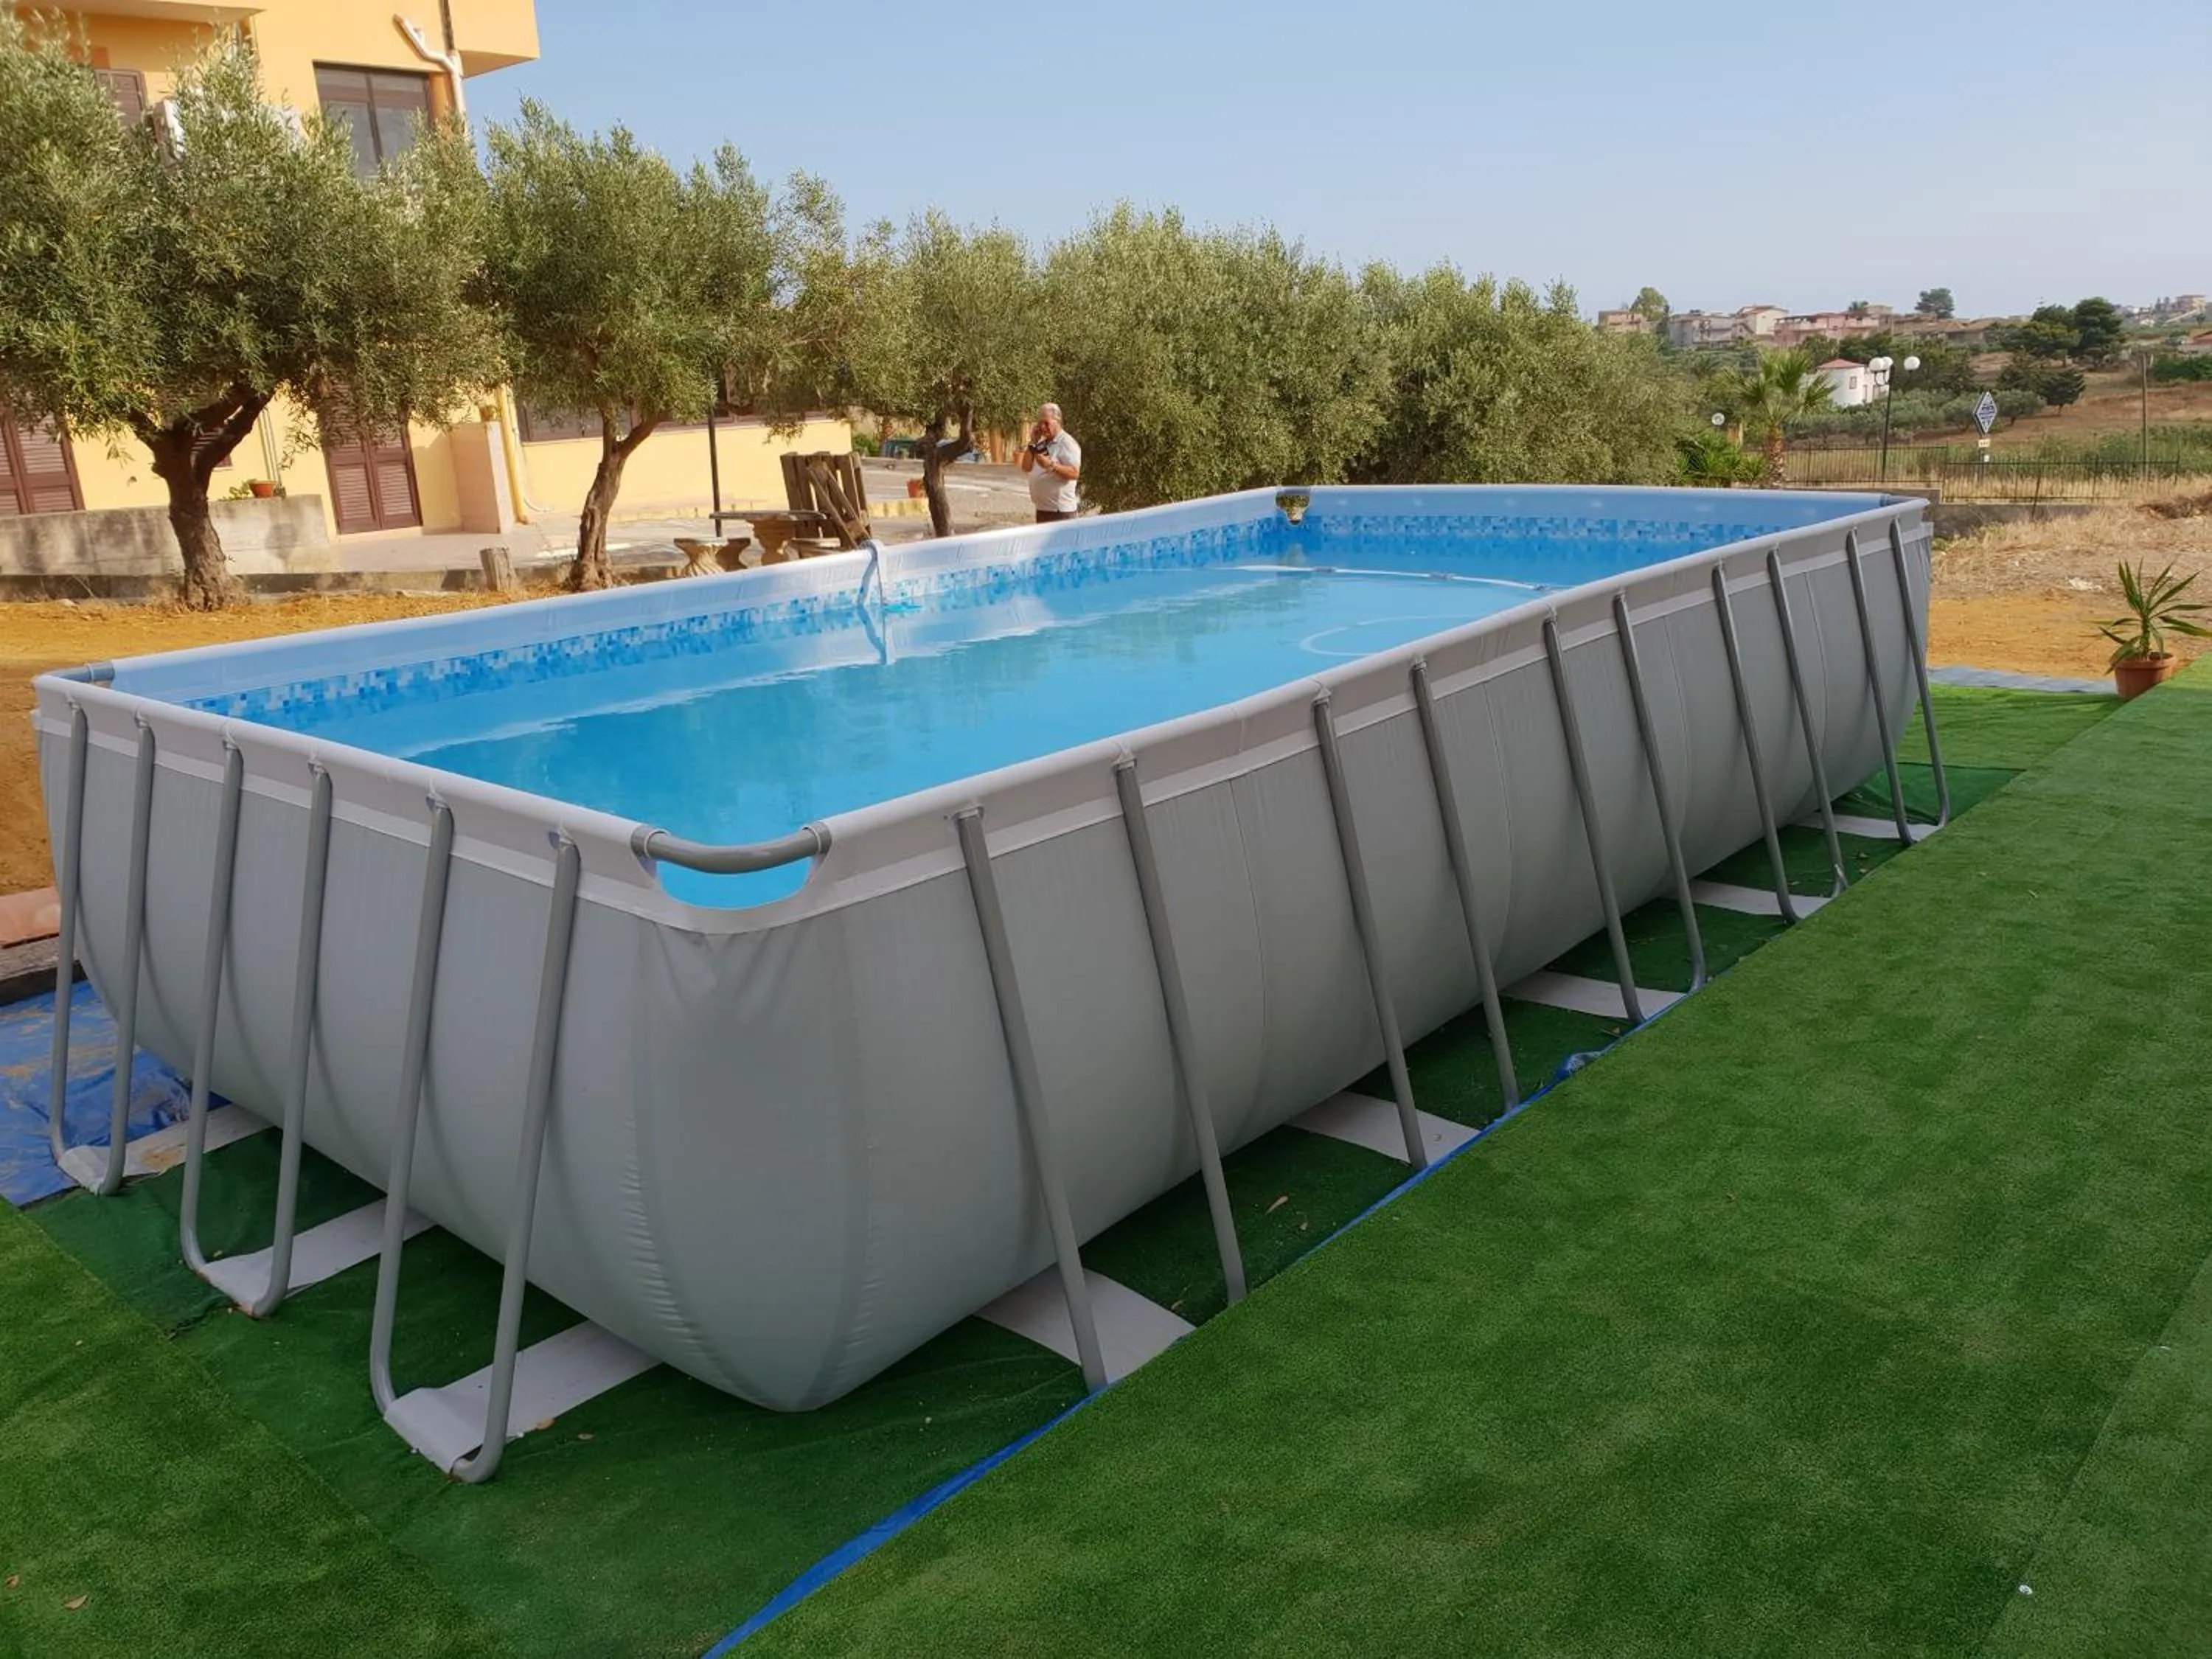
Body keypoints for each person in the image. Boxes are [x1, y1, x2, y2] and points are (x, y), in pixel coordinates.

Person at [1018, 403, 1081, 523]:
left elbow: (1074, 473)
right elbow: (1026, 467)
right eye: (1040, 423)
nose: (1042, 427)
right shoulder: (1042, 444)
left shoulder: (1066, 443)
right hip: (1043, 510)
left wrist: (1051, 465)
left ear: (1057, 421)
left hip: (1060, 512)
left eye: (1046, 423)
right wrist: (1033, 442)